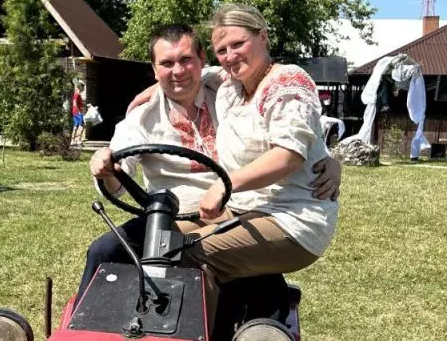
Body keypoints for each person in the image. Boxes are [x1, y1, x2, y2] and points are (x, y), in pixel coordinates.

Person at [75, 22, 339, 303]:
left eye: (186, 60)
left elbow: (293, 127)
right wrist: (106, 171)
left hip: (240, 207)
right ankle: (85, 333)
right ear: (153, 70)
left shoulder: (227, 91)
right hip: (179, 216)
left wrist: (329, 160)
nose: (178, 71)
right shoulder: (140, 119)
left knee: (199, 261)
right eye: (166, 64)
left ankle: (212, 339)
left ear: (202, 60)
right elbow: (118, 182)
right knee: (107, 249)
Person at [178, 3, 339, 282]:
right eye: (221, 50)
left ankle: (199, 327)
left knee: (186, 253)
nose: (229, 56)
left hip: (292, 218)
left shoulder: (288, 82)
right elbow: (180, 76)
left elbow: (289, 155)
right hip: (243, 209)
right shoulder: (230, 85)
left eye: (238, 44)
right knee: (160, 237)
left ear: (262, 36)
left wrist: (223, 185)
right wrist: (146, 95)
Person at [70, 81, 86, 146]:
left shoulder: (76, 94)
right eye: (83, 87)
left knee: (75, 126)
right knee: (82, 125)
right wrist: (79, 111)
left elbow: (79, 104)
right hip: (78, 112)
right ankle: (79, 140)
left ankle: (72, 140)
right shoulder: (77, 94)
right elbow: (75, 103)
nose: (84, 88)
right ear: (80, 87)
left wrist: (85, 106)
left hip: (74, 112)